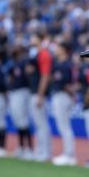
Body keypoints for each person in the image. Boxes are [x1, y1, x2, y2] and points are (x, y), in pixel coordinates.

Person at [25, 33, 52, 162]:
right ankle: (40, 151)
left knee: (42, 124)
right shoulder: (35, 54)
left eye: (33, 37)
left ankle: (45, 153)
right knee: (38, 124)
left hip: (38, 93)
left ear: (40, 40)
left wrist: (40, 95)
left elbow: (45, 76)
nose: (31, 39)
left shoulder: (44, 54)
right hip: (34, 91)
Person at [51, 43, 76, 166]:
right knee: (62, 126)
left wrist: (71, 95)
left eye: (59, 47)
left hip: (63, 96)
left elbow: (68, 84)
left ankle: (69, 155)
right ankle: (67, 154)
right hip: (58, 95)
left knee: (64, 126)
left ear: (64, 50)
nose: (56, 49)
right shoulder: (58, 64)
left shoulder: (66, 64)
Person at [7, 46, 33, 159]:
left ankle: (29, 148)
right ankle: (21, 147)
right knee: (17, 119)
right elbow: (10, 77)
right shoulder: (13, 63)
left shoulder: (25, 62)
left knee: (23, 119)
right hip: (14, 92)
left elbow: (29, 75)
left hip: (23, 91)